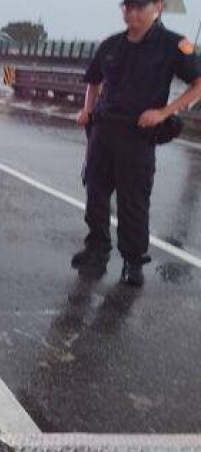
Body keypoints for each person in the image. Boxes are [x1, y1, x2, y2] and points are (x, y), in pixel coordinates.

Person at [73, 0, 201, 286]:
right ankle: (96, 250)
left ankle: (133, 261)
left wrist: (165, 112)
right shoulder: (110, 45)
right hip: (103, 132)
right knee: (95, 194)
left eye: (138, 7)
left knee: (133, 201)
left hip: (137, 134)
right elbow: (93, 81)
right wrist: (87, 110)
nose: (131, 13)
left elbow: (198, 83)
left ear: (157, 6)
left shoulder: (172, 45)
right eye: (126, 7)